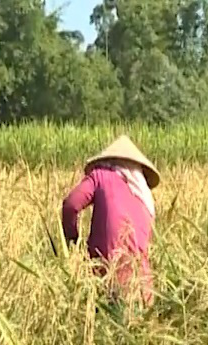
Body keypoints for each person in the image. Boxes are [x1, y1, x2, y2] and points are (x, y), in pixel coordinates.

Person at [61, 135, 159, 314]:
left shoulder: (100, 176)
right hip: (143, 289)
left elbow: (71, 205)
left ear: (109, 162)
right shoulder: (144, 196)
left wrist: (71, 240)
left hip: (109, 282)